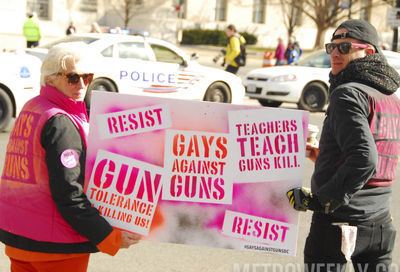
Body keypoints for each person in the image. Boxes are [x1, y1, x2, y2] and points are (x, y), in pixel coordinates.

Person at [0, 42, 140, 272]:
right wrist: (110, 238)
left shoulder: (32, 107)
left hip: (19, 238)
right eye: (72, 77)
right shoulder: (61, 122)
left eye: (87, 77)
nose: (82, 84)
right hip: (55, 247)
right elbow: (69, 194)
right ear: (50, 79)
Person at [286, 19, 400, 272]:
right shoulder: (390, 96)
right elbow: (378, 155)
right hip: (380, 224)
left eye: (345, 47)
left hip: (340, 222)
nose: (335, 53)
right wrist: (324, 156)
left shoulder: (347, 93)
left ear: (368, 52)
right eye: (332, 47)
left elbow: (364, 159)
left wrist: (322, 201)